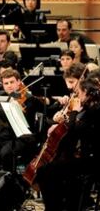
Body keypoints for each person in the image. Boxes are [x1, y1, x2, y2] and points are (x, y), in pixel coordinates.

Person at [35, 76, 100, 211]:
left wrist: (75, 111)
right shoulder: (90, 107)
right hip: (83, 156)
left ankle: (54, 207)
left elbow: (71, 133)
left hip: (89, 161)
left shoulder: (93, 111)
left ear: (87, 93)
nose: (77, 96)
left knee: (44, 171)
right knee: (51, 167)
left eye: (79, 93)